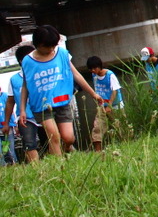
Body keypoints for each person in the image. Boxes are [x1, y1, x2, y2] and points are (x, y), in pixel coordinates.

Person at [19, 25, 103, 156]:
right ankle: (59, 167)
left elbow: (76, 75)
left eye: (53, 45)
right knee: (54, 136)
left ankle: (67, 148)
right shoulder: (28, 61)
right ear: (37, 44)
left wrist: (93, 93)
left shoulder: (62, 54)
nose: (51, 49)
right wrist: (22, 110)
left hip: (62, 101)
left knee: (69, 138)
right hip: (41, 106)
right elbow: (25, 86)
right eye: (47, 47)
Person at [2, 45, 40, 163]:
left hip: (44, 113)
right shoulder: (14, 80)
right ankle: (37, 169)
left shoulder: (40, 73)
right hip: (26, 118)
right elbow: (10, 102)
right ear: (22, 61)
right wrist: (7, 123)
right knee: (28, 145)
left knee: (51, 140)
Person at [86, 56, 125, 152]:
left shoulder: (110, 75)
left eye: (94, 68)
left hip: (115, 106)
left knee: (119, 126)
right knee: (98, 127)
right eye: (91, 69)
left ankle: (125, 144)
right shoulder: (94, 75)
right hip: (102, 106)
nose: (93, 71)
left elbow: (115, 90)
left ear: (99, 66)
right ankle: (97, 151)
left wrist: (110, 105)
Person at [0, 88, 18, 165]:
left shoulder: (5, 96)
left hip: (6, 128)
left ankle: (13, 165)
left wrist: (15, 125)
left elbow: (11, 111)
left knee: (7, 150)